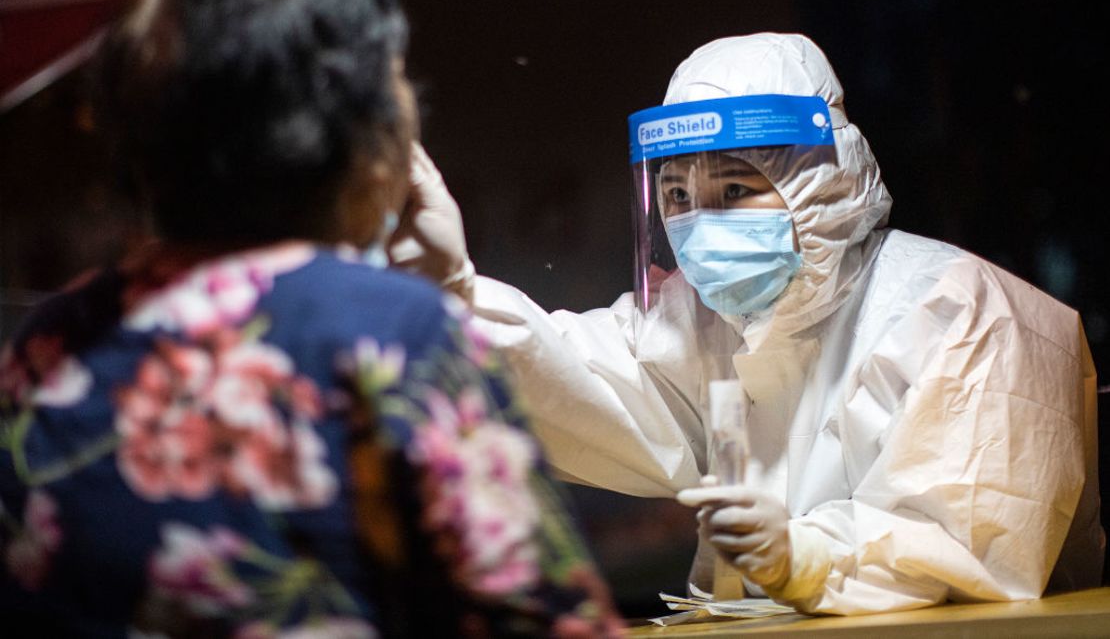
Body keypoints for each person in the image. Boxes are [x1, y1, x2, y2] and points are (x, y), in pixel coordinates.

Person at [0, 0, 624, 637]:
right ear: (357, 135)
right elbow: (546, 617)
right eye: (395, 83)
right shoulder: (391, 330)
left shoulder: (50, 339)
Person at [397, 33, 1104, 615]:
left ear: (818, 181)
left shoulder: (961, 312)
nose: (698, 224)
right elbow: (573, 381)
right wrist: (450, 294)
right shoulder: (708, 323)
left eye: (734, 189)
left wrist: (802, 557)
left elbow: (971, 545)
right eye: (676, 194)